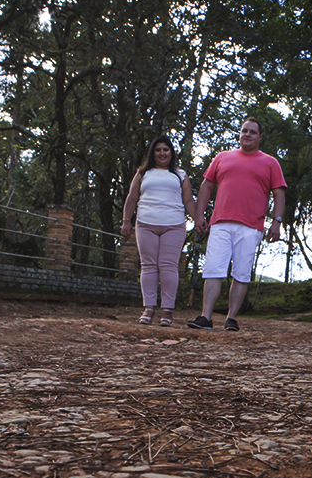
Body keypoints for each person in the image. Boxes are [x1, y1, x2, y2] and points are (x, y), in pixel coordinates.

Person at [188, 117, 287, 331]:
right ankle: (205, 316)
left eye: (252, 132)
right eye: (244, 131)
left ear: (260, 137)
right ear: (239, 133)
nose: (247, 134)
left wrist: (276, 222)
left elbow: (279, 193)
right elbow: (206, 186)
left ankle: (231, 318)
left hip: (251, 226)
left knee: (241, 272)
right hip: (220, 223)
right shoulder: (222, 157)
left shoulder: (270, 162)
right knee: (213, 269)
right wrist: (199, 215)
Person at [120, 135, 199, 326]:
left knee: (168, 266)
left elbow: (188, 200)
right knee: (148, 265)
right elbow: (132, 198)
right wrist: (126, 221)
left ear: (171, 153)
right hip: (146, 223)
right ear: (152, 153)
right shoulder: (142, 174)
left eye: (166, 149)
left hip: (174, 225)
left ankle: (167, 310)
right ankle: (149, 308)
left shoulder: (180, 175)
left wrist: (198, 219)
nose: (162, 153)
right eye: (158, 150)